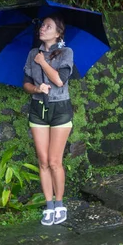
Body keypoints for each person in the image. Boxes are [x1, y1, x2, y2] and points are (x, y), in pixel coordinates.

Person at [23, 15, 73, 226]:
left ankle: (60, 203)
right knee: (43, 162)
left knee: (54, 161)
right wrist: (37, 88)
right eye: (42, 25)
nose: (42, 28)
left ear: (58, 32)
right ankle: (49, 205)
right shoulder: (32, 53)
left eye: (48, 26)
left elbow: (60, 80)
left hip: (60, 109)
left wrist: (43, 62)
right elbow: (26, 83)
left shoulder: (66, 53)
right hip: (38, 109)